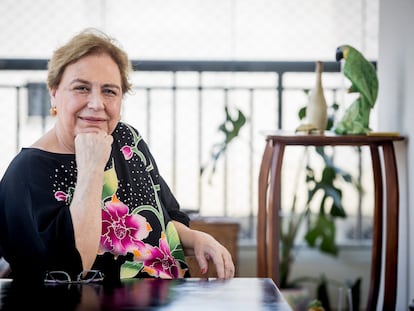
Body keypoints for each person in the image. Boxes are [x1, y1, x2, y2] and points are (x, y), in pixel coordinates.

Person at [0, 28, 235, 283]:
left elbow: (163, 221)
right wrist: (91, 166)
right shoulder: (28, 173)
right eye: (81, 88)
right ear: (54, 92)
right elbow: (74, 267)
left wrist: (198, 239)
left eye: (109, 91)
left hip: (168, 298)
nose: (96, 103)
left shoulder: (126, 140)